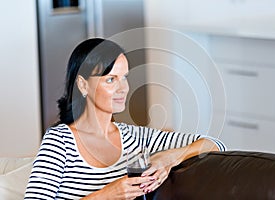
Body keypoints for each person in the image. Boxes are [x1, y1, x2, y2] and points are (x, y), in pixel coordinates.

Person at [24, 38, 226, 199]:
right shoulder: (59, 142)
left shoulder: (135, 138)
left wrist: (167, 159)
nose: (123, 88)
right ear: (83, 85)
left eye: (125, 77)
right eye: (111, 79)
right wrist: (107, 195)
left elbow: (215, 145)